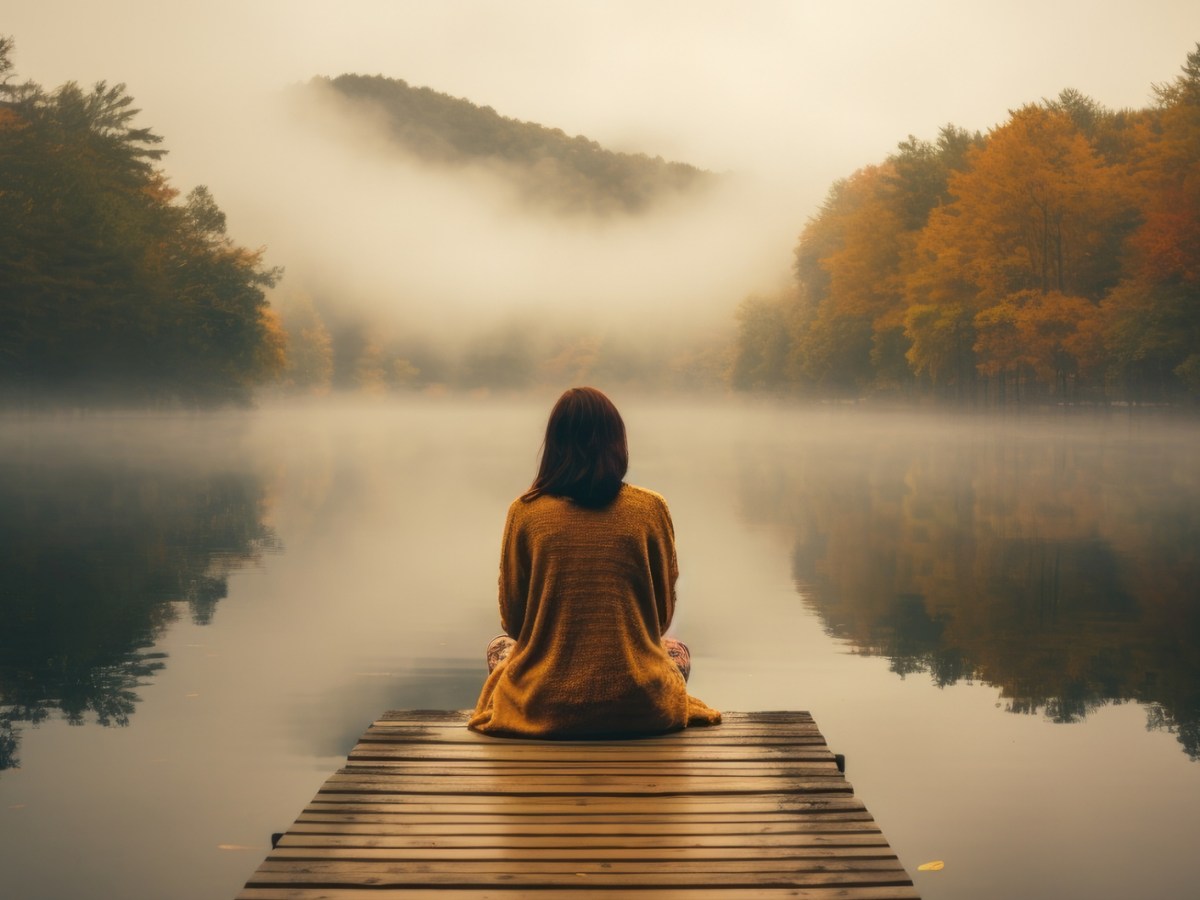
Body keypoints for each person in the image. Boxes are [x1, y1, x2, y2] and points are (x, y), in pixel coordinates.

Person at [468, 386, 721, 738]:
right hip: (638, 706)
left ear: (553, 445)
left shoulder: (525, 512)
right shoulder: (650, 509)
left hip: (544, 704)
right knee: (674, 650)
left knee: (500, 647)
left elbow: (514, 621)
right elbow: (660, 617)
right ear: (617, 442)